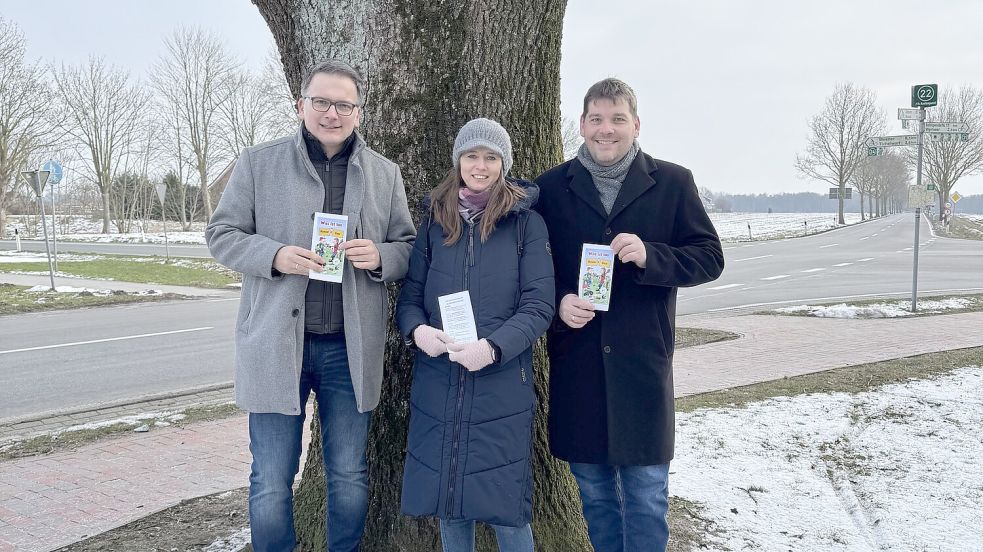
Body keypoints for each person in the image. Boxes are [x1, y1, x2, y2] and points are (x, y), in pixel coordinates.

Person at [205, 59, 416, 552]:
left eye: (344, 104)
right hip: (277, 344)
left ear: (359, 113)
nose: (332, 113)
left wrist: (380, 255)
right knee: (271, 479)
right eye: (321, 102)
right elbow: (220, 235)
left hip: (349, 348)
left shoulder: (384, 174)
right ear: (301, 105)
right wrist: (274, 255)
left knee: (348, 474)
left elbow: (408, 245)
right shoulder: (258, 162)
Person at [534, 78, 724, 551]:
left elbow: (709, 257)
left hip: (642, 367)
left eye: (617, 119)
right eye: (596, 119)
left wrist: (650, 255)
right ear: (581, 124)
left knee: (646, 499)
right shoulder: (552, 188)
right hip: (579, 366)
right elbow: (535, 269)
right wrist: (559, 302)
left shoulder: (673, 182)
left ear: (636, 125)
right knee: (595, 497)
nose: (606, 129)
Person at [395, 118, 555, 552]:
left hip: (500, 387)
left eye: (490, 157)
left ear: (503, 164)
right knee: (450, 502)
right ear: (458, 161)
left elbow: (539, 305)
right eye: (472, 156)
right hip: (439, 383)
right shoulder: (434, 224)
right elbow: (409, 300)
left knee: (507, 506)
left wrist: (493, 347)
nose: (480, 166)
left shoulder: (525, 225)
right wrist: (418, 332)